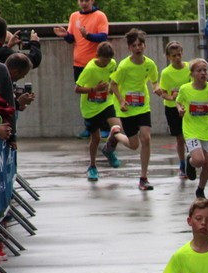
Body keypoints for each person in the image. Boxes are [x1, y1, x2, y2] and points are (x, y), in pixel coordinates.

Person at [104, 28, 158, 191]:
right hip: (126, 108)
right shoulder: (124, 66)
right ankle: (116, 135)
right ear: (129, 48)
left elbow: (155, 81)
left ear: (144, 46)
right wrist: (121, 101)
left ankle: (143, 178)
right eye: (134, 45)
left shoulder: (149, 64)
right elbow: (112, 85)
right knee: (134, 145)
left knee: (146, 138)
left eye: (140, 44)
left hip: (143, 106)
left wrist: (157, 88)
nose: (138, 48)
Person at [54, 0, 109, 137]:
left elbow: (103, 36)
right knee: (85, 96)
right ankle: (89, 127)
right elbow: (72, 38)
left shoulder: (100, 16)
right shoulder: (74, 16)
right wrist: (65, 35)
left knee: (100, 94)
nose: (84, 3)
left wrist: (88, 36)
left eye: (86, 0)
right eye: (81, 0)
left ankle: (104, 127)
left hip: (95, 63)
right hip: (79, 63)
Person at [175, 58, 208, 198]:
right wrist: (180, 110)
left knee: (207, 164)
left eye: (205, 70)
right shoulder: (185, 89)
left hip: (207, 130)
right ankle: (190, 161)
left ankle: (200, 189)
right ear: (192, 74)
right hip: (191, 129)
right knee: (199, 160)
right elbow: (178, 102)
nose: (203, 73)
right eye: (199, 70)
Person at [74, 41, 118, 183]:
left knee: (117, 127)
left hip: (106, 102)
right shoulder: (90, 69)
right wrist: (94, 89)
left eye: (108, 60)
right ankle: (92, 166)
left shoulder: (112, 64)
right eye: (104, 60)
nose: (106, 63)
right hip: (91, 107)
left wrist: (111, 87)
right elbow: (77, 88)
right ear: (97, 56)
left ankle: (109, 150)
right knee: (96, 138)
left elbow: (113, 78)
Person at [157, 41, 190, 179]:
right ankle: (182, 164)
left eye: (179, 54)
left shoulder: (189, 67)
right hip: (172, 108)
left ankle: (191, 161)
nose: (177, 58)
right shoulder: (166, 73)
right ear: (168, 57)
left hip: (188, 106)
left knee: (191, 135)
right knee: (180, 137)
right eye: (174, 56)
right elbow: (162, 92)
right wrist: (171, 97)